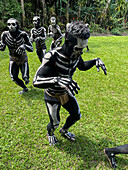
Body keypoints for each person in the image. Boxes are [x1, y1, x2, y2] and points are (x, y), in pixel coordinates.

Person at [33, 21, 107, 146]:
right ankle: (50, 133)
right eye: (78, 49)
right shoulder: (52, 56)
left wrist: (95, 61)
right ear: (68, 41)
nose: (81, 52)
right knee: (55, 122)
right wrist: (56, 80)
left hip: (65, 92)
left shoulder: (76, 55)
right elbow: (36, 81)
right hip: (52, 95)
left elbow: (82, 66)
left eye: (83, 49)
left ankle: (64, 130)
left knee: (76, 115)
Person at [0, 18, 33, 94]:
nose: (11, 26)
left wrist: (24, 46)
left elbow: (31, 48)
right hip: (13, 59)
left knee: (25, 77)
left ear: (17, 25)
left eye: (13, 24)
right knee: (13, 77)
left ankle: (26, 79)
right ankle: (24, 88)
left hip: (22, 59)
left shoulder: (23, 34)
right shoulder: (4, 35)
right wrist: (1, 46)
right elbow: (2, 47)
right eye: (9, 24)